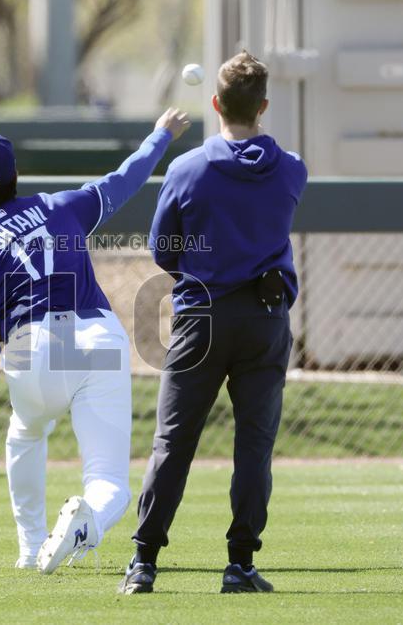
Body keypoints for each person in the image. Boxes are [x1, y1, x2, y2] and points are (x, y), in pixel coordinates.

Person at [0, 109, 190, 572]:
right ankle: (84, 524)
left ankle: (31, 546)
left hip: (30, 346)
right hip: (98, 335)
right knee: (109, 481)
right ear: (16, 176)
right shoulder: (61, 206)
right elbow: (126, 178)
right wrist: (161, 135)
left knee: (25, 432)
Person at [119, 52, 307, 595]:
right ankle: (240, 565)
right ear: (263, 106)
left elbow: (162, 248)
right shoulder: (292, 168)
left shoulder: (187, 169)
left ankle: (144, 562)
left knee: (173, 442)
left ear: (215, 104)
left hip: (200, 317)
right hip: (264, 318)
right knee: (254, 446)